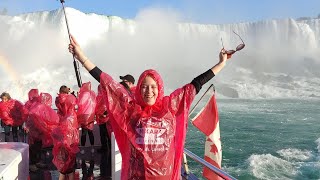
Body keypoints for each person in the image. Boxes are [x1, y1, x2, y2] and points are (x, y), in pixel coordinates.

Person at [68, 35, 230, 179]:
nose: (149, 91)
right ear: (138, 88)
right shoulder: (131, 109)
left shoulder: (171, 106)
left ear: (159, 88)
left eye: (153, 87)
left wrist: (221, 64)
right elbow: (106, 82)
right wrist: (82, 57)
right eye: (144, 86)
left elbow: (197, 83)